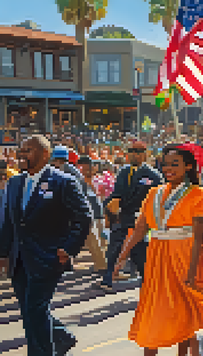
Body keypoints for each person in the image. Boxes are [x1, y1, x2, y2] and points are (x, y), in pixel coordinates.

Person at [114, 143, 203, 355]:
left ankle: (191, 344)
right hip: (157, 257)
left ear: (188, 166)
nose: (168, 168)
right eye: (165, 164)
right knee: (154, 312)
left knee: (184, 312)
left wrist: (192, 271)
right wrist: (122, 256)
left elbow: (199, 238)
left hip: (184, 255)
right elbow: (140, 228)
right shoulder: (154, 193)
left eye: (175, 164)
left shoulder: (199, 194)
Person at [0, 135, 91, 355]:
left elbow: (83, 216)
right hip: (18, 258)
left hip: (48, 257)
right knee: (30, 311)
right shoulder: (13, 183)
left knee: (35, 309)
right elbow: (9, 223)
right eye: (21, 150)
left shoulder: (63, 181)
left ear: (45, 154)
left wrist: (69, 248)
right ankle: (61, 337)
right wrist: (3, 253)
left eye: (28, 150)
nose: (22, 155)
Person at [102, 141, 163, 290]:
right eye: (131, 151)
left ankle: (148, 284)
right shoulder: (123, 172)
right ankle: (108, 279)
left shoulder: (154, 175)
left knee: (139, 253)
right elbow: (116, 193)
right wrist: (110, 205)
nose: (133, 154)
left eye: (137, 151)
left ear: (145, 154)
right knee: (113, 249)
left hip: (141, 219)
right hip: (122, 217)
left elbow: (158, 199)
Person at [76, 156, 108, 274]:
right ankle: (103, 268)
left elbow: (96, 197)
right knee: (95, 243)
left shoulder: (92, 180)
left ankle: (102, 266)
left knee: (102, 242)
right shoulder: (78, 180)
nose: (87, 170)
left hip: (98, 214)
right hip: (89, 216)